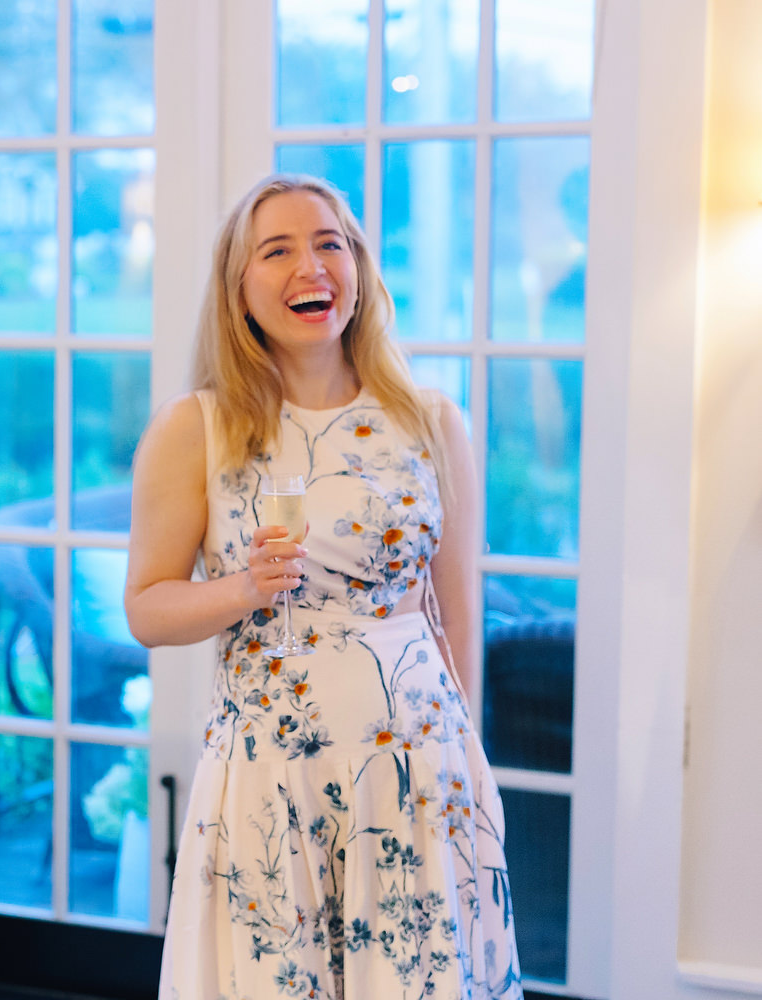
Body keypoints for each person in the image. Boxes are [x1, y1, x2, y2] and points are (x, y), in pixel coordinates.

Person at [125, 174, 521, 999]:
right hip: (271, 776)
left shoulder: (431, 421)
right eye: (277, 251)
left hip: (417, 775)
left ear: (359, 269)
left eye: (329, 244)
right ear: (238, 288)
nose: (310, 267)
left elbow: (456, 617)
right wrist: (242, 589)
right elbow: (148, 608)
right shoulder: (196, 428)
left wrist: (468, 763)